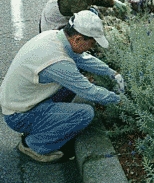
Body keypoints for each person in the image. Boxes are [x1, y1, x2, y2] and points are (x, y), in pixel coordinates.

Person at [0, 10, 126, 163]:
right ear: (78, 39)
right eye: (92, 43)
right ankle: (33, 145)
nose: (91, 48)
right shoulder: (58, 61)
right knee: (84, 113)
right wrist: (119, 100)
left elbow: (84, 60)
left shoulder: (55, 37)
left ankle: (45, 125)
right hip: (19, 115)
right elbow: (89, 91)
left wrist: (112, 73)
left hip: (21, 101)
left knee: (73, 81)